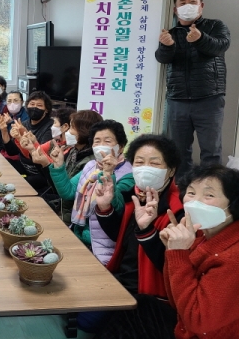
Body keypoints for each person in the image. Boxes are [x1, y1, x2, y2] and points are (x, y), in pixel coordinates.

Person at [95, 164, 239, 339]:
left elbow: (198, 321)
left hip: (200, 331)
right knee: (138, 305)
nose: (195, 201)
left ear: (234, 204)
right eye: (191, 193)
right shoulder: (201, 234)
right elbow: (175, 297)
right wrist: (171, 251)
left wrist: (178, 253)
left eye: (209, 195)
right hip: (184, 320)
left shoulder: (233, 258)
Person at [78, 134, 182, 333]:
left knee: (86, 320)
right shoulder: (134, 196)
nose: (145, 168)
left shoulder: (177, 211)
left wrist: (147, 231)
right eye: (139, 162)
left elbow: (173, 265)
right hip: (121, 278)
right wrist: (105, 207)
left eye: (154, 163)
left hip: (148, 294)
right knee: (75, 306)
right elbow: (119, 238)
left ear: (171, 170)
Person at [155, 0, 231, 178]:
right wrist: (167, 46)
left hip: (210, 99)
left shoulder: (215, 26)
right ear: (175, 9)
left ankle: (210, 189)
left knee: (211, 151)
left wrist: (200, 38)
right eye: (182, 3)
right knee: (179, 152)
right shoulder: (170, 33)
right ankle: (182, 189)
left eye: (192, 2)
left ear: (201, 5)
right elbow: (162, 58)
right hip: (178, 100)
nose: (187, 6)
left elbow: (221, 46)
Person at [48, 120, 134, 264]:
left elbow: (117, 208)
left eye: (107, 141)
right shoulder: (91, 165)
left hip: (103, 248)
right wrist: (58, 166)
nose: (101, 145)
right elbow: (68, 192)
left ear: (121, 147)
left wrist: (108, 173)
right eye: (97, 141)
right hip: (78, 234)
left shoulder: (128, 174)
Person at [0, 91, 54, 180]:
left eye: (39, 105)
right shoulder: (24, 123)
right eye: (32, 104)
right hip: (23, 166)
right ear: (27, 106)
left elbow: (41, 156)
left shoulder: (50, 126)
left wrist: (23, 135)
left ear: (46, 110)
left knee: (15, 182)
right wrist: (4, 130)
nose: (34, 107)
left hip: (40, 172)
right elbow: (12, 152)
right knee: (1, 165)